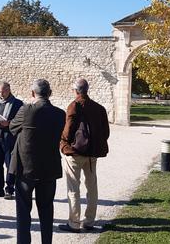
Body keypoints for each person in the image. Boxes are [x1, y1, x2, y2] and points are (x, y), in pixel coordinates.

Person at [10, 79, 65, 244]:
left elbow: (13, 127)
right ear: (50, 93)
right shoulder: (60, 114)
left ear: (33, 93)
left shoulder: (26, 110)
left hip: (27, 167)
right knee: (47, 209)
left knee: (23, 210)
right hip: (49, 167)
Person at [58, 78, 110, 233]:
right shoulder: (99, 108)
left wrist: (64, 143)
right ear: (87, 90)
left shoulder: (74, 106)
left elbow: (68, 130)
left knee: (73, 188)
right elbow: (105, 132)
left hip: (75, 152)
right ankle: (89, 221)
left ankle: (74, 223)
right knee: (92, 186)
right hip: (91, 154)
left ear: (76, 91)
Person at [0, 81, 23, 200]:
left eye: (3, 91)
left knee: (10, 164)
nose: (1, 94)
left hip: (10, 138)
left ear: (8, 90)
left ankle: (10, 190)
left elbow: (21, 120)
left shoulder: (18, 104)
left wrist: (9, 123)